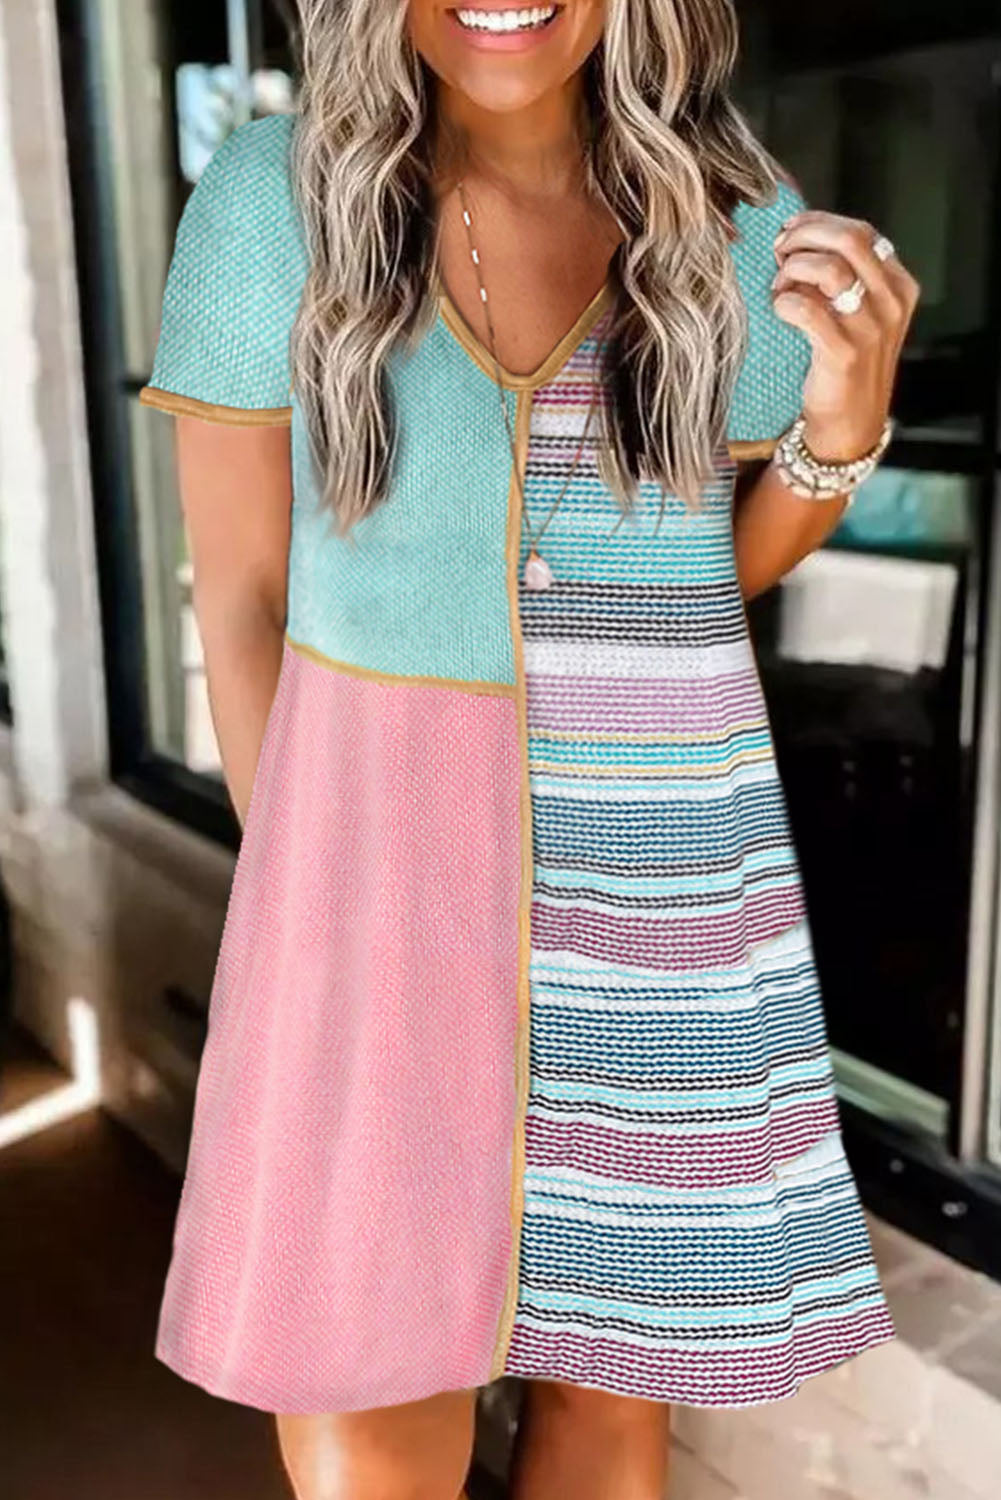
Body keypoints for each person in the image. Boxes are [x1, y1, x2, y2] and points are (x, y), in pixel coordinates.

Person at [139, 2, 919, 1497]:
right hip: (379, 882)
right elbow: (239, 595)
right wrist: (305, 904)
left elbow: (693, 584)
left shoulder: (736, 222)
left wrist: (845, 424)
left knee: (616, 1390)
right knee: (368, 1397)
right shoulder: (274, 201)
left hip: (663, 883)